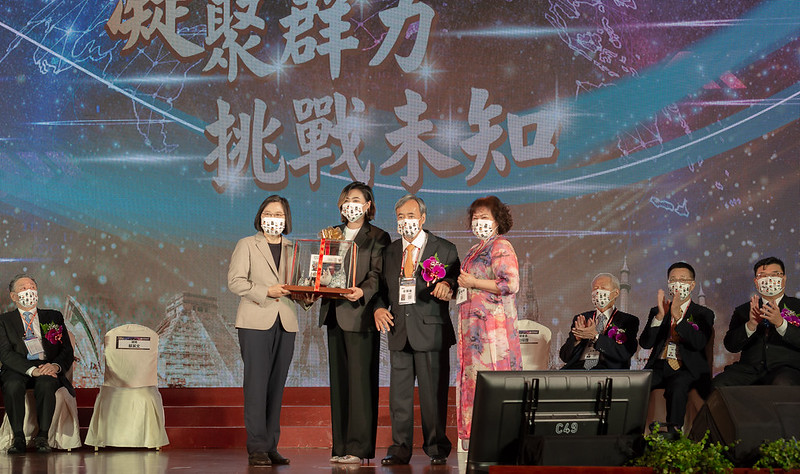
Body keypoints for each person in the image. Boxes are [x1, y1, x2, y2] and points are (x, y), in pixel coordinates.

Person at [374, 194, 459, 466]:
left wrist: (448, 285)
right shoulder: (390, 252)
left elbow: (455, 279)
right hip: (399, 330)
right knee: (399, 398)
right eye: (400, 217)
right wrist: (378, 308)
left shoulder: (444, 249)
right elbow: (380, 290)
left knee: (433, 396)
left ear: (422, 218)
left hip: (431, 332)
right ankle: (400, 449)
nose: (405, 221)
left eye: (410, 216)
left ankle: (437, 447)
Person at [318, 182, 391, 464]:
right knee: (339, 385)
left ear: (368, 205)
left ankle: (359, 449)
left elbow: (377, 274)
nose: (352, 204)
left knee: (361, 384)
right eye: (347, 199)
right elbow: (323, 269)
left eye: (357, 199)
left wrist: (363, 291)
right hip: (334, 314)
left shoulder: (378, 236)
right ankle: (340, 447)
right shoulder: (331, 233)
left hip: (361, 314)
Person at [228, 195, 300, 467]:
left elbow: (299, 284)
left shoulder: (294, 248)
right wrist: (265, 292)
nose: (274, 219)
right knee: (256, 386)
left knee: (276, 387)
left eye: (279, 214)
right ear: (260, 216)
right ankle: (257, 447)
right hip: (255, 321)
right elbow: (235, 281)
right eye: (269, 213)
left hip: (286, 321)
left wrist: (309, 295)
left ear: (286, 218)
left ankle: (271, 446)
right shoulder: (247, 244)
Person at [455, 196, 521, 452]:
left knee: (492, 379)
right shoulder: (475, 249)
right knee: (474, 379)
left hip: (493, 332)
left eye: (484, 217)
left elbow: (510, 283)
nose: (478, 222)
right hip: (473, 330)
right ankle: (476, 438)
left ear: (497, 220)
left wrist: (474, 283)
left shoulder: (501, 245)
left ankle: (496, 439)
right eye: (475, 217)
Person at [0, 274, 75, 454]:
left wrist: (55, 366)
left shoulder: (53, 317)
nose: (29, 291)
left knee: (47, 383)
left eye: (32, 287)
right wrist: (32, 370)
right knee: (12, 384)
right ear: (13, 296)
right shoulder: (4, 320)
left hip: (47, 366)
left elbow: (66, 350)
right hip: (18, 368)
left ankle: (43, 436)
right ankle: (18, 437)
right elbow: (5, 353)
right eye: (23, 288)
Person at [639, 262, 714, 430]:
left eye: (683, 279)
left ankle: (674, 433)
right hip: (659, 366)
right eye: (673, 279)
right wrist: (660, 316)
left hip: (686, 368)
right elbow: (645, 343)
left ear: (692, 285)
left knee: (678, 387)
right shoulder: (658, 310)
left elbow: (699, 342)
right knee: (637, 385)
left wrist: (679, 319)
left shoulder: (703, 314)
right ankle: (631, 433)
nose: (677, 283)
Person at [713, 257, 800, 387]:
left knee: (783, 383)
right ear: (756, 281)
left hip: (787, 370)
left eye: (774, 274)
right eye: (763, 275)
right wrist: (751, 325)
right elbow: (731, 346)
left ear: (784, 278)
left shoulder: (797, 307)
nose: (769, 279)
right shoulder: (743, 310)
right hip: (748, 371)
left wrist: (781, 324)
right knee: (719, 384)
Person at [559, 273, 639, 370]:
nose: (598, 292)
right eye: (595, 288)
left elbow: (624, 353)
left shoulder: (628, 321)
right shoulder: (582, 318)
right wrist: (577, 339)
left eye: (603, 288)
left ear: (616, 293)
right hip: (577, 370)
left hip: (607, 372)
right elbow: (564, 356)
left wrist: (596, 337)